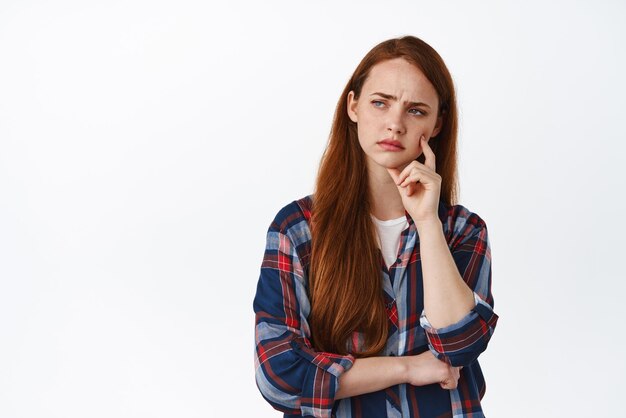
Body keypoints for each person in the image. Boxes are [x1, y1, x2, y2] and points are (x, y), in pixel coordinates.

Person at [253, 35, 499, 418]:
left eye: (416, 110)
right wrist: (408, 368)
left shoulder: (462, 231)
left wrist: (427, 223)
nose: (395, 124)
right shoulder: (299, 229)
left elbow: (460, 345)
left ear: (437, 124)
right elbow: (278, 375)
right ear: (353, 106)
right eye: (380, 102)